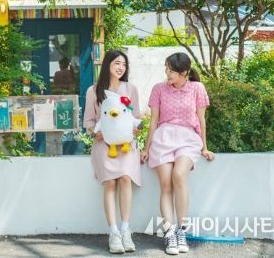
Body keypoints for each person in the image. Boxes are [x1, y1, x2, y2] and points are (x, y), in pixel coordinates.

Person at [140, 52, 215, 255]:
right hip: (163, 138)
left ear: (184, 72)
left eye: (171, 70)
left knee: (179, 175)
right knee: (165, 184)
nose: (167, 73)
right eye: (166, 68)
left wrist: (204, 147)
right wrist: (146, 148)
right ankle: (170, 233)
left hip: (188, 139)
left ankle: (182, 230)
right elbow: (153, 121)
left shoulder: (197, 88)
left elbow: (201, 120)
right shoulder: (158, 89)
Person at [83, 50, 142, 254]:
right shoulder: (93, 90)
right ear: (107, 64)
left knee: (125, 178)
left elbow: (137, 117)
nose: (120, 67)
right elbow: (88, 120)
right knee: (110, 182)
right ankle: (113, 232)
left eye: (124, 64)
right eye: (117, 63)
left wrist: (136, 129)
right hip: (104, 145)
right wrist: (95, 132)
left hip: (126, 145)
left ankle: (126, 230)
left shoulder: (131, 89)